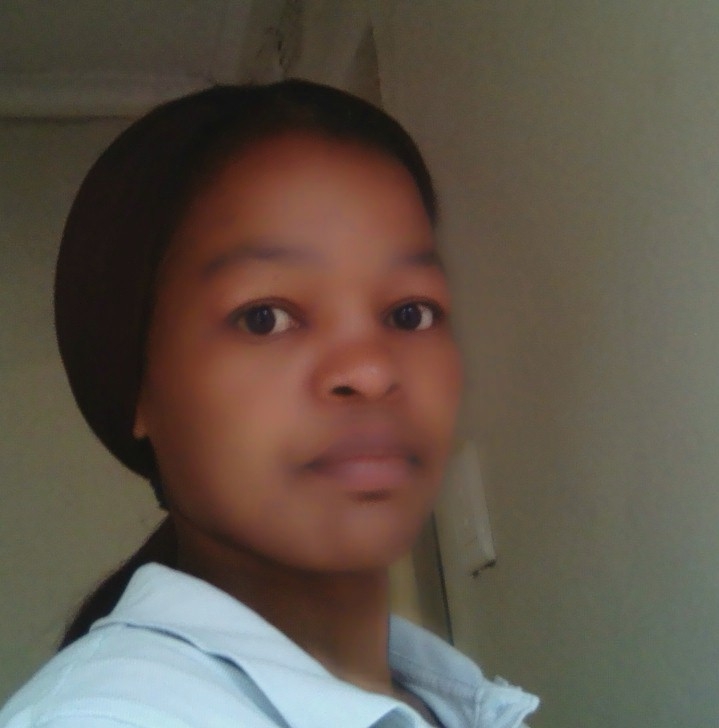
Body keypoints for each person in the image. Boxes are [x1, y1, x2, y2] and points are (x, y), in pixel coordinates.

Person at [0, 80, 539, 728]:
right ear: (138, 383)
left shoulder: (459, 700)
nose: (371, 371)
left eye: (410, 312)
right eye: (265, 318)